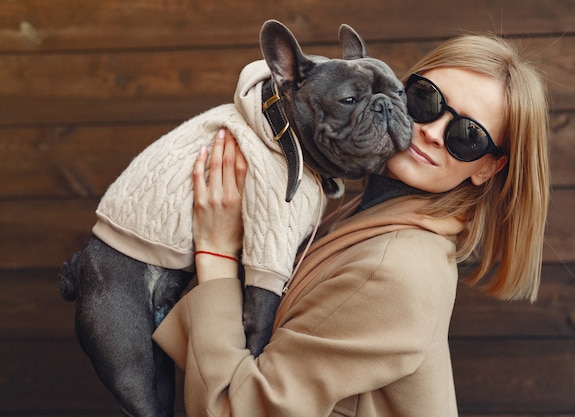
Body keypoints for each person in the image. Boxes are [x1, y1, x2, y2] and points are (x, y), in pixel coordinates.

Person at [153, 33, 550, 416]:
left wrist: (216, 249)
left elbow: (236, 410)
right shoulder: (362, 217)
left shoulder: (393, 270)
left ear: (487, 168)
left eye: (467, 136)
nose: (430, 132)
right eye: (426, 100)